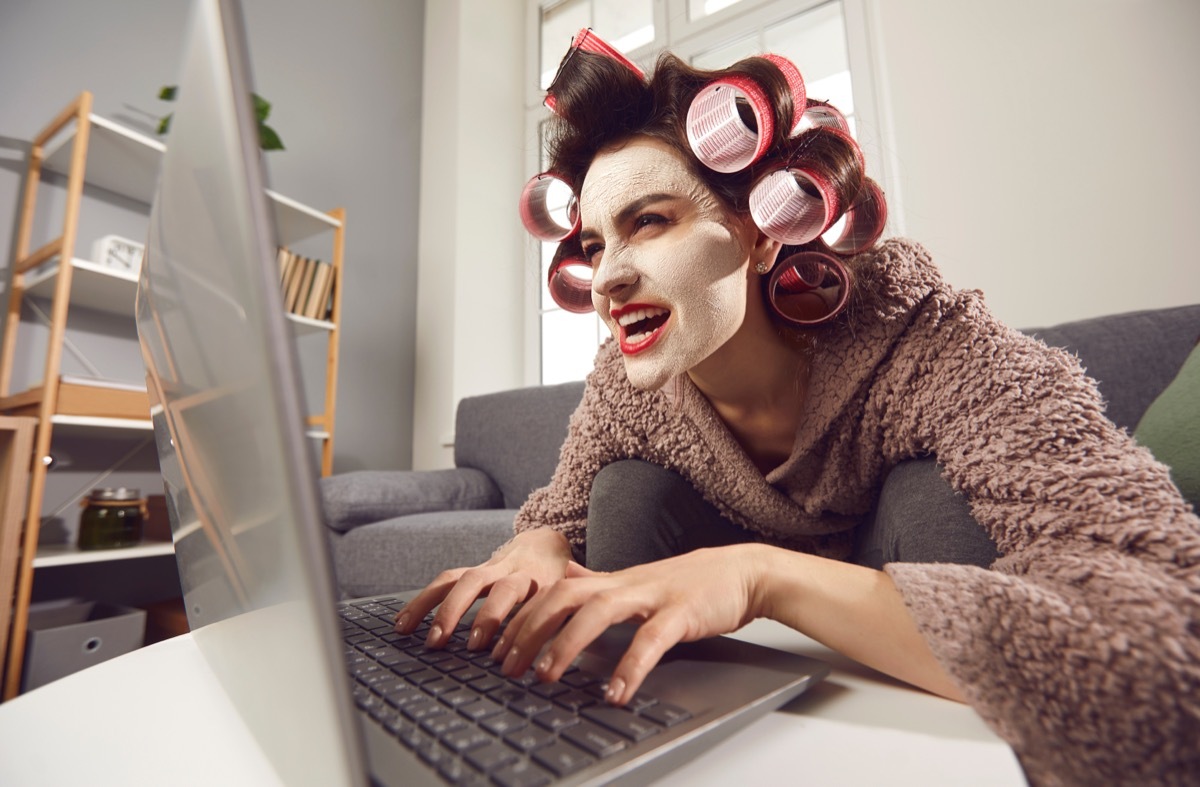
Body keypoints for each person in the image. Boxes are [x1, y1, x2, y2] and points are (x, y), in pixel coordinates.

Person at [396, 29, 1200, 783]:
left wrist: (761, 576)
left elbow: (1167, 638)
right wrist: (537, 541)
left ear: (759, 234)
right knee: (625, 496)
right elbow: (565, 507)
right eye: (598, 242)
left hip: (906, 617)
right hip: (734, 671)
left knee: (936, 498)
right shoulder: (627, 378)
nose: (607, 279)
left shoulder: (934, 341)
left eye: (649, 221)